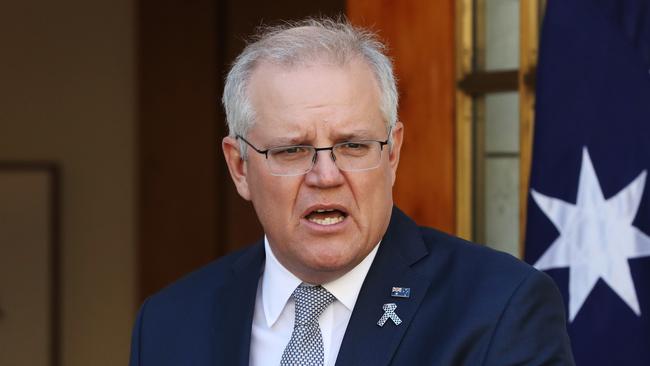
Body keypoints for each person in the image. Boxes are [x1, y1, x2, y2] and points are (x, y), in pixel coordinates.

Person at [129, 18, 575, 366]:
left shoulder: (500, 307)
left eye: (353, 145)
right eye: (292, 150)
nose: (326, 175)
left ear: (393, 153)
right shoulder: (169, 321)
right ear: (240, 166)